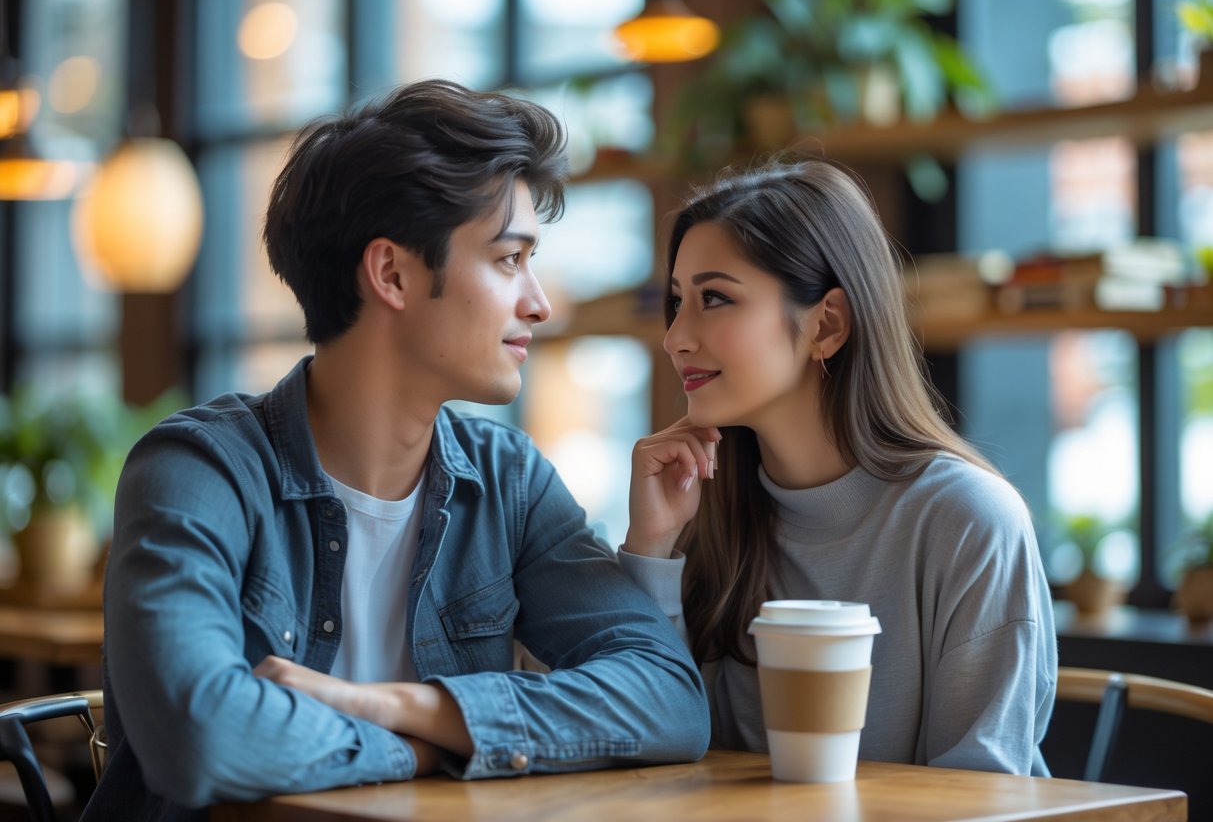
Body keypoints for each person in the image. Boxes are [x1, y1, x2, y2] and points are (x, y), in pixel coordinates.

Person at [84, 80, 708, 821]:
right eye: (509, 260)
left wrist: (382, 704)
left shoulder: (509, 483)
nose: (539, 302)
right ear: (391, 274)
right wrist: (424, 746)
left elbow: (668, 701)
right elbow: (197, 739)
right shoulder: (198, 471)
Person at [618, 158, 1057, 776]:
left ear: (827, 324)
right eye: (676, 301)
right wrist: (651, 551)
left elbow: (980, 788)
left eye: (714, 298)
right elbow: (649, 746)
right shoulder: (698, 511)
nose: (675, 337)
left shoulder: (969, 521)